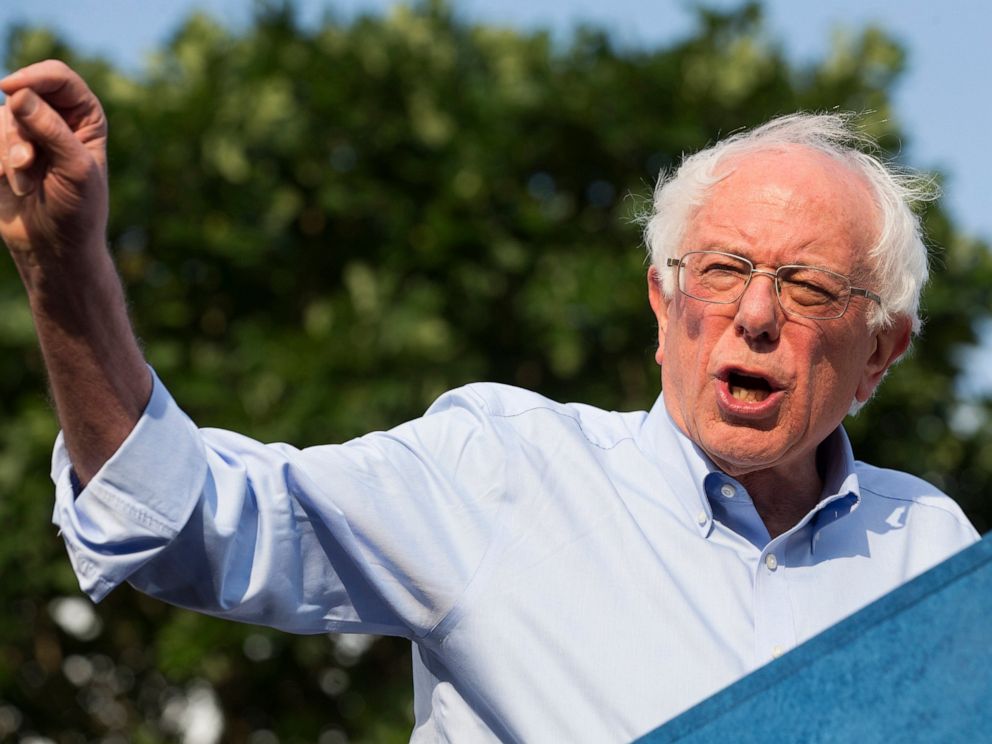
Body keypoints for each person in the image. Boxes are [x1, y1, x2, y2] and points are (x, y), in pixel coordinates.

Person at [0, 60, 979, 742]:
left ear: (878, 352)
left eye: (806, 287)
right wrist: (64, 270)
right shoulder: (500, 474)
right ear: (661, 302)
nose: (753, 314)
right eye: (720, 269)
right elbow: (186, 521)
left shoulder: (928, 551)